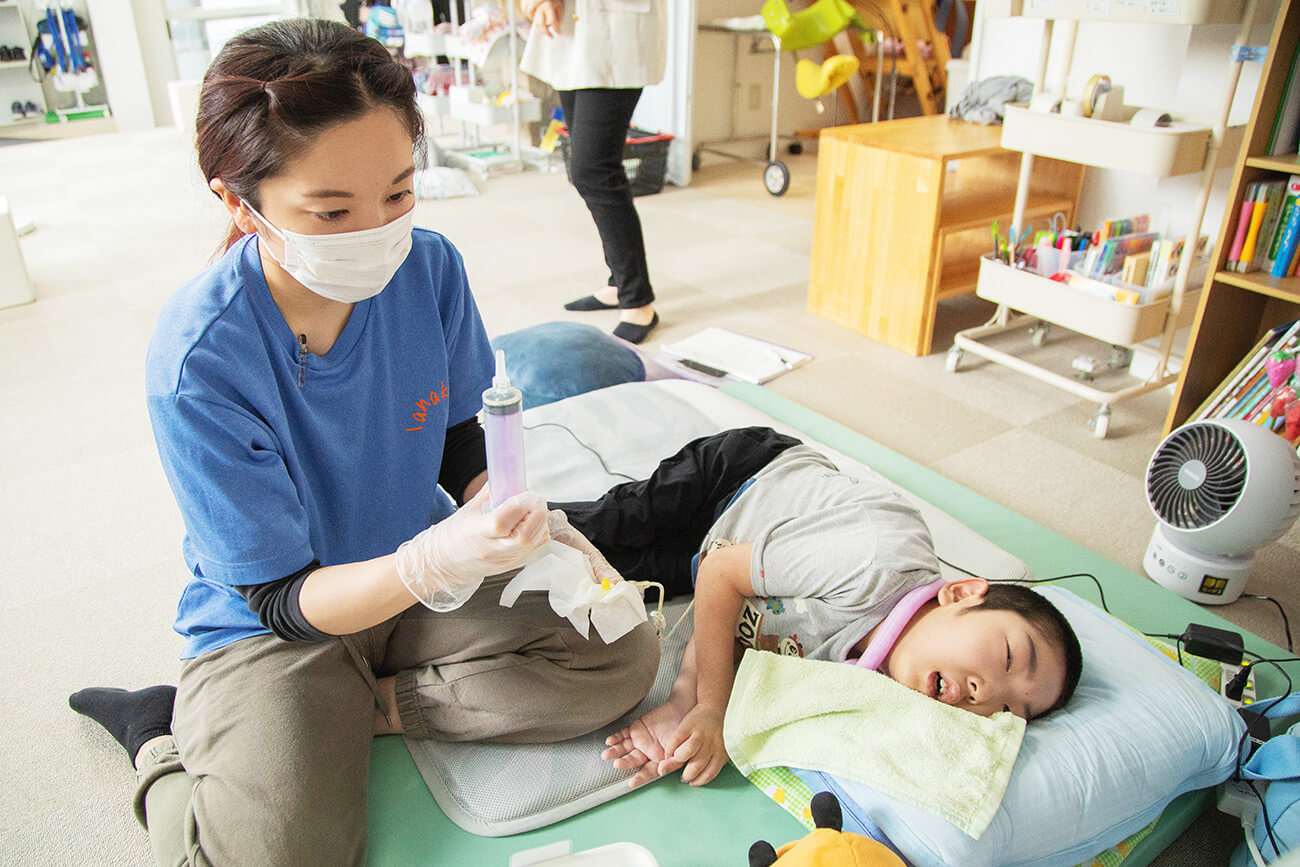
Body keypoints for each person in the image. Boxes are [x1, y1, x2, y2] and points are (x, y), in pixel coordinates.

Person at [67, 19, 658, 866]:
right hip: (278, 627)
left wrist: (499, 506)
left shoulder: (430, 268)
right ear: (238, 202)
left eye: (399, 192)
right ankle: (161, 743)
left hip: (421, 582)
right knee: (278, 855)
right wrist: (434, 561)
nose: (378, 230)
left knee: (619, 647)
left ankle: (366, 707)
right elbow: (279, 598)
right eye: (332, 210)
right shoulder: (201, 358)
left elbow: (460, 437)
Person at [553, 427, 1084, 789]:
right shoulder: (877, 561)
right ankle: (483, 507)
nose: (986, 694)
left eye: (1014, 711)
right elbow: (722, 575)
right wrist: (703, 702)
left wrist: (683, 708)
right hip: (737, 479)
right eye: (1011, 657)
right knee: (591, 531)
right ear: (964, 593)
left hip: (712, 553)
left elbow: (726, 611)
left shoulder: (877, 684)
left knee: (598, 575)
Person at [518, 0, 665, 344]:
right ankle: (619, 284)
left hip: (616, 30)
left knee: (593, 169)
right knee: (591, 168)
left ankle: (638, 300)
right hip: (573, 33)